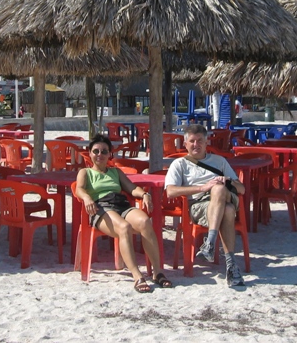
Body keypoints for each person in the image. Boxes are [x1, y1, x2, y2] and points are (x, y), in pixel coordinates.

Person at [74, 134, 172, 293]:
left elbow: (131, 187)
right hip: (101, 207)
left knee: (145, 222)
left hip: (121, 204)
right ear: (90, 153)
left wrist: (144, 195)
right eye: (96, 151)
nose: (100, 155)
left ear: (109, 154)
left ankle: (158, 271)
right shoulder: (85, 172)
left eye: (104, 151)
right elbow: (79, 189)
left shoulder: (115, 172)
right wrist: (86, 198)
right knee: (124, 228)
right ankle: (137, 275)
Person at [164, 124, 246, 288]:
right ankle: (231, 266)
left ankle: (210, 243)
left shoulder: (219, 161)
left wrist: (227, 180)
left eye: (200, 141)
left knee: (219, 189)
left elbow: (242, 189)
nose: (196, 145)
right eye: (192, 141)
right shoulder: (179, 164)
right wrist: (202, 187)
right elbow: (170, 191)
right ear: (185, 143)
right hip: (199, 205)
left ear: (206, 142)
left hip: (224, 198)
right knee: (228, 210)